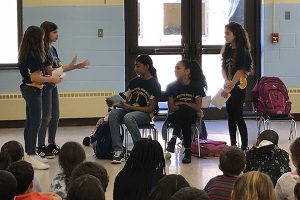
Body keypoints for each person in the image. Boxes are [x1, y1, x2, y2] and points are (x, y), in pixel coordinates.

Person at [37, 21, 90, 158]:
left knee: (56, 115)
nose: (57, 35)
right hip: (45, 86)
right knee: (46, 117)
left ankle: (51, 143)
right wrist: (70, 67)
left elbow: (59, 67)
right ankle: (40, 146)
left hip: (53, 86)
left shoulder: (53, 49)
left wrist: (75, 66)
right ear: (46, 33)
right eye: (54, 32)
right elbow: (50, 71)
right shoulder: (42, 49)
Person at [18, 26, 62, 170]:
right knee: (35, 122)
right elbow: (35, 77)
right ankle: (30, 154)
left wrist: (49, 77)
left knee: (30, 122)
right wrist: (52, 79)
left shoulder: (26, 53)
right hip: (32, 89)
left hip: (27, 88)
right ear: (36, 38)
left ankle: (29, 154)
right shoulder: (33, 55)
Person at [107, 54, 161, 164]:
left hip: (145, 114)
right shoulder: (134, 82)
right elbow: (125, 99)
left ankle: (140, 150)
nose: (135, 69)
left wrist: (130, 108)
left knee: (128, 117)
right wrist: (114, 103)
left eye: (138, 66)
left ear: (147, 67)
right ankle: (118, 150)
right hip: (130, 110)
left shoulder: (154, 84)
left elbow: (150, 108)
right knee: (113, 114)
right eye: (135, 66)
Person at [165, 59, 207, 163]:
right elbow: (172, 108)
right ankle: (187, 151)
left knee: (185, 111)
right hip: (175, 116)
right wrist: (186, 106)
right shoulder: (171, 86)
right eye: (175, 68)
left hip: (191, 115)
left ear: (187, 71)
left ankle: (173, 139)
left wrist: (184, 104)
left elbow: (198, 107)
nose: (175, 70)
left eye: (178, 68)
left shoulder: (196, 86)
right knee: (184, 113)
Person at [220, 21, 253, 151]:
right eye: (224, 34)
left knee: (238, 115)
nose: (225, 36)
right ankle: (233, 144)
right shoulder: (227, 50)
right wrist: (226, 80)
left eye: (227, 34)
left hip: (238, 87)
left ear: (236, 34)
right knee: (230, 116)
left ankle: (244, 145)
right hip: (229, 86)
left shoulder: (242, 51)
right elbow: (223, 68)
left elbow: (240, 70)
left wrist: (231, 84)